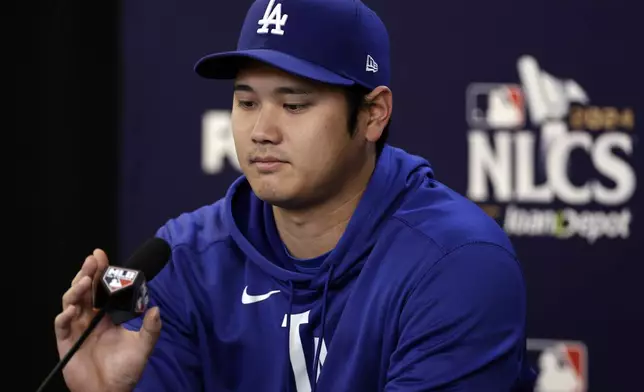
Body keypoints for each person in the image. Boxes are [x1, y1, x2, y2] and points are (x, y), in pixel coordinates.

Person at [54, 0, 535, 391]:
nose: (261, 130)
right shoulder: (181, 256)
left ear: (373, 114)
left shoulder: (460, 263)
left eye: (294, 104)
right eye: (246, 102)